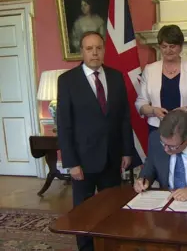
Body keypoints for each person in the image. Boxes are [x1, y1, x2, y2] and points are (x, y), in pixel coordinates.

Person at [57, 31, 134, 251]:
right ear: (81, 51)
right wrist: (71, 163)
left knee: (112, 208)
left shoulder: (116, 77)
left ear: (104, 50)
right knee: (83, 211)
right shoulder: (67, 81)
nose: (94, 53)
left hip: (112, 157)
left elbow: (124, 117)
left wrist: (127, 151)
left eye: (98, 48)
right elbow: (65, 125)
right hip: (82, 160)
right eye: (89, 48)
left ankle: (109, 245)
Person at [135, 25, 187, 134]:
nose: (168, 50)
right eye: (164, 46)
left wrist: (186, 110)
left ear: (180, 46)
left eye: (172, 46)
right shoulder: (149, 69)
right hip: (158, 128)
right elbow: (140, 103)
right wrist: (154, 110)